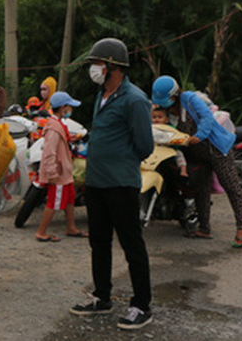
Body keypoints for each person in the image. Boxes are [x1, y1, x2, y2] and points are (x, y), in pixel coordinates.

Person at [69, 38, 154, 330]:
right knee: (99, 243)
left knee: (132, 244)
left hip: (121, 184)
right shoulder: (101, 96)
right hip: (96, 183)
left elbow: (145, 145)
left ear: (112, 66)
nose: (93, 68)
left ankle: (142, 305)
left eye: (96, 63)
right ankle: (102, 297)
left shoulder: (135, 99)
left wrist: (118, 159)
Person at [151, 75, 242, 248]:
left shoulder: (189, 99)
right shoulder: (165, 112)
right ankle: (205, 228)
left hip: (217, 149)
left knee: (231, 186)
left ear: (174, 95)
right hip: (197, 154)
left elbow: (207, 118)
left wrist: (198, 136)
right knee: (202, 189)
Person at [34, 91, 88, 242]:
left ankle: (71, 227)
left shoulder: (58, 125)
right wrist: (52, 174)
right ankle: (41, 232)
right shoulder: (54, 128)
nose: (70, 110)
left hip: (64, 171)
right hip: (58, 172)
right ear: (63, 107)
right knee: (54, 201)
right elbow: (49, 153)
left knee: (70, 198)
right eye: (69, 107)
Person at [151, 106, 188, 178]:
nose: (157, 119)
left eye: (160, 117)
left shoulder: (171, 129)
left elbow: (177, 137)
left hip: (169, 148)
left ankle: (183, 170)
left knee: (179, 154)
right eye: (154, 117)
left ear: (167, 120)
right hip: (155, 149)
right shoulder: (150, 128)